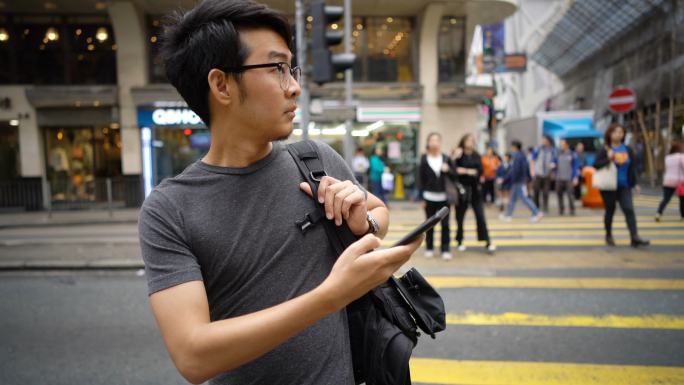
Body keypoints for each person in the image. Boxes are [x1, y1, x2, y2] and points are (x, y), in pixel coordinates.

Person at [137, 2, 423, 384]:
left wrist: (364, 222)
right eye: (276, 69)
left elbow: (377, 213)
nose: (295, 86)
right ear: (221, 84)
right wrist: (331, 295)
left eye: (291, 68)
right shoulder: (170, 209)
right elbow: (193, 354)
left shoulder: (314, 160)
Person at [593, 123, 649, 247]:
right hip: (608, 186)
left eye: (621, 132)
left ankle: (634, 236)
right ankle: (608, 235)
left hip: (624, 185)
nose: (619, 134)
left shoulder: (627, 149)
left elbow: (632, 168)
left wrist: (635, 184)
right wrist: (608, 158)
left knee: (629, 209)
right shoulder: (605, 149)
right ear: (610, 134)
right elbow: (596, 165)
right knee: (610, 211)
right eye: (616, 132)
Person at [452, 134, 495, 253]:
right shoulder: (459, 154)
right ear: (463, 141)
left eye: (472, 140)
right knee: (459, 217)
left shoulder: (476, 155)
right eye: (468, 140)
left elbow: (479, 171)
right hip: (462, 190)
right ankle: (460, 240)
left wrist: (465, 171)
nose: (470, 142)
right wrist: (456, 157)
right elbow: (453, 170)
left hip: (475, 190)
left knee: (481, 216)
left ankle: (487, 241)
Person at [417, 132, 453, 259]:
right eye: (432, 140)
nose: (434, 142)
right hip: (429, 197)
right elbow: (420, 179)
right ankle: (429, 247)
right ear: (428, 143)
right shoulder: (424, 159)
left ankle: (445, 249)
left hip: (444, 197)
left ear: (440, 142)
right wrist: (421, 198)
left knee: (446, 225)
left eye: (437, 140)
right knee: (429, 225)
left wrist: (448, 169)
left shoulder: (446, 158)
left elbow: (455, 176)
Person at [500, 140, 543, 222]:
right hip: (519, 181)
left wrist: (506, 178)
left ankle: (537, 213)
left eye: (512, 147)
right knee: (512, 199)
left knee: (524, 199)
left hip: (519, 182)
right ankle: (508, 215)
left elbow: (515, 170)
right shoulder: (521, 156)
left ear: (515, 147)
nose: (511, 149)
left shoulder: (518, 157)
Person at [655, 141, 684, 221]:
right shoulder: (681, 157)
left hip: (668, 180)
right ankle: (682, 216)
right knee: (682, 200)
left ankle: (658, 213)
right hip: (679, 181)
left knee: (666, 199)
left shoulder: (667, 158)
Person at [531, 135, 556, 213]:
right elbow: (532, 160)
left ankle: (545, 207)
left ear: (548, 141)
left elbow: (554, 161)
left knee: (546, 192)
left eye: (544, 140)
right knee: (536, 191)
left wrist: (552, 170)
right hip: (538, 173)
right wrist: (532, 171)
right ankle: (536, 207)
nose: (543, 141)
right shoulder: (538, 149)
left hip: (547, 174)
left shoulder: (552, 150)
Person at [555, 139, 579, 216]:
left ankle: (572, 210)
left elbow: (575, 166)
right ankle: (561, 209)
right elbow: (554, 162)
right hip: (559, 177)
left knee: (570, 195)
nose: (561, 146)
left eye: (562, 144)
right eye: (560, 144)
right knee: (559, 194)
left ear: (567, 145)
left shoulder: (572, 154)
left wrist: (575, 177)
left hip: (569, 178)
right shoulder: (558, 153)